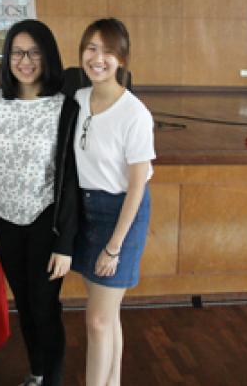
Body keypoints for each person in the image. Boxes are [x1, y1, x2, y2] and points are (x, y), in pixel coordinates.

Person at [0, 19, 79, 386]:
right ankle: (36, 372)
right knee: (24, 305)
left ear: (47, 56)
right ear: (7, 58)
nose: (25, 60)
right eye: (18, 52)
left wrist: (65, 242)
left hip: (45, 222)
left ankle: (51, 377)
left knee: (44, 306)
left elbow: (69, 181)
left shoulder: (65, 108)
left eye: (34, 52)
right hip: (7, 221)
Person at [70, 19, 155, 386]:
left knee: (98, 320)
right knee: (108, 315)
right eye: (91, 48)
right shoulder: (77, 99)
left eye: (107, 50)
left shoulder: (134, 114)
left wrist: (114, 246)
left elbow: (137, 187)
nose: (97, 57)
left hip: (122, 214)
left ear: (122, 58)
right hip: (87, 211)